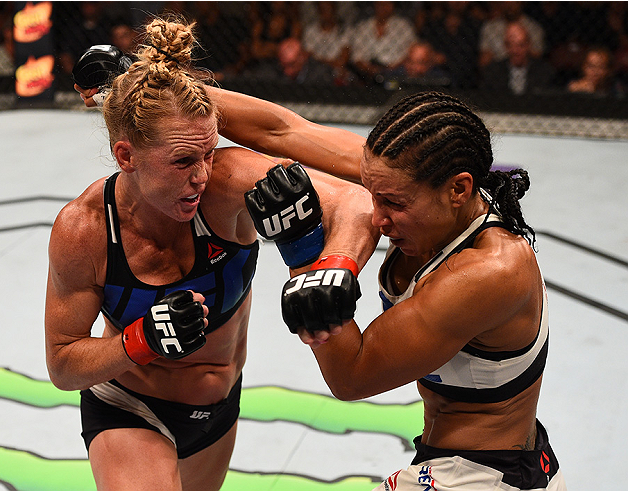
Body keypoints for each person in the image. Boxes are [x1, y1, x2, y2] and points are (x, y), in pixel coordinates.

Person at [54, 15, 377, 491]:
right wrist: (138, 342)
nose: (201, 175)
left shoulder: (225, 184)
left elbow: (351, 198)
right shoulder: (85, 229)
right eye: (183, 161)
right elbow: (63, 364)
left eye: (208, 153)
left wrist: (334, 263)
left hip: (221, 406)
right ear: (127, 157)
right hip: (130, 404)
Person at [195, 89, 568, 490]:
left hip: (482, 477)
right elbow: (281, 130)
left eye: (392, 203)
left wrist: (302, 248)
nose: (378, 218)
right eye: (373, 195)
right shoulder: (413, 177)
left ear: (458, 190)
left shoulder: (486, 273)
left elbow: (352, 377)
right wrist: (168, 86)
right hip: (473, 461)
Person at [482, 21, 554, 95]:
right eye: (511, 45)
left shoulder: (544, 71)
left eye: (521, 45)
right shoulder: (493, 72)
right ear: (505, 46)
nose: (516, 51)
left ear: (528, 45)